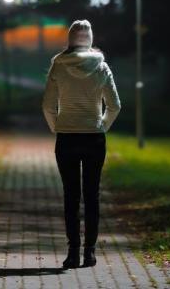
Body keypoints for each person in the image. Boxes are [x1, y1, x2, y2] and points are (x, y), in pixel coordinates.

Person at [41, 19, 122, 269]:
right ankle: (90, 253)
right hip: (93, 138)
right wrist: (101, 126)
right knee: (92, 195)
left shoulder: (58, 65)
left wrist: (57, 127)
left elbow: (47, 106)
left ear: (70, 39)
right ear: (90, 39)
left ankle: (72, 252)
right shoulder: (101, 67)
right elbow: (115, 106)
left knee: (71, 195)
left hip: (67, 137)